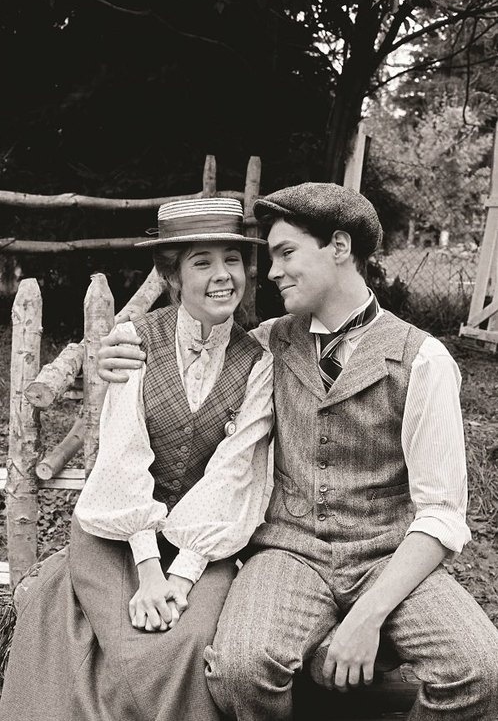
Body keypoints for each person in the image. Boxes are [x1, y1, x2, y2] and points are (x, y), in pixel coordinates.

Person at [96, 183, 498, 721]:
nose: (271, 272)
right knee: (239, 670)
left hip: (388, 555)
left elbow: (442, 514)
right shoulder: (267, 343)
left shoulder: (424, 361)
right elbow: (198, 346)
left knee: (480, 670)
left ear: (339, 247)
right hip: (288, 553)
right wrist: (119, 349)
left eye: (286, 253)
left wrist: (367, 617)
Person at [0, 197, 273, 721]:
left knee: (190, 640)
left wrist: (181, 578)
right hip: (119, 533)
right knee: (113, 643)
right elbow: (123, 457)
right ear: (172, 278)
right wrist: (149, 572)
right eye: (202, 262)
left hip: (204, 541)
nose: (223, 275)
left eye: (233, 260)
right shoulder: (133, 343)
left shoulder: (258, 364)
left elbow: (234, 475)